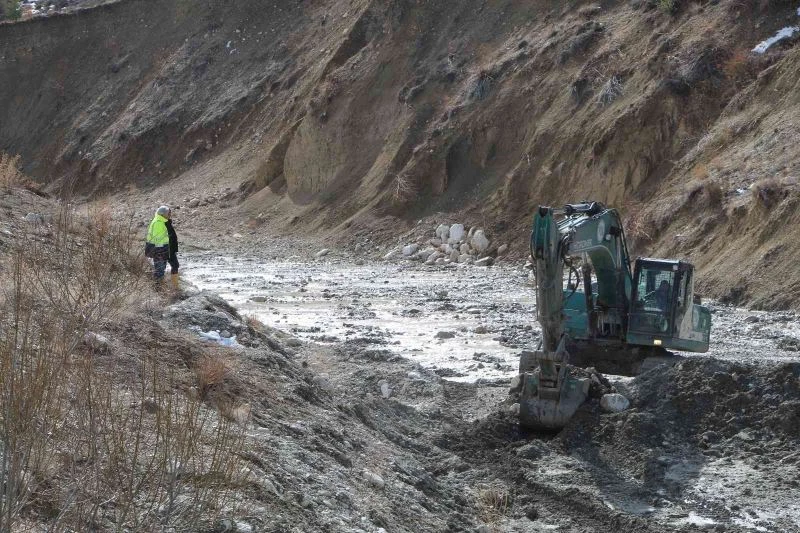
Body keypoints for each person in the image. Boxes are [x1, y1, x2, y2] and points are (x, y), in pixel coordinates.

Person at [146, 205, 171, 286]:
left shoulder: (161, 221)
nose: (169, 215)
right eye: (168, 213)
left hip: (160, 249)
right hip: (159, 249)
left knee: (161, 269)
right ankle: (158, 287)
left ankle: (159, 286)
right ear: (163, 214)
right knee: (160, 269)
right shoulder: (159, 222)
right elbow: (158, 239)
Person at [165, 212, 179, 290]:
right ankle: (174, 287)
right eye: (168, 214)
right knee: (174, 265)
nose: (169, 215)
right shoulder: (164, 223)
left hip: (169, 249)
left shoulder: (167, 222)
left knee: (175, 265)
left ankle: (174, 287)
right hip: (167, 249)